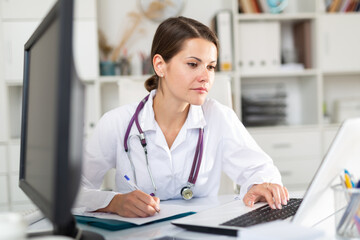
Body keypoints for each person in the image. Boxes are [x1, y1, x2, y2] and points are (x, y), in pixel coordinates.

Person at [77, 16, 289, 218]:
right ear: (160, 65)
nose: (205, 77)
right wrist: (114, 202)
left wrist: (259, 186)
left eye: (211, 67)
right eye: (193, 64)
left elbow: (263, 171)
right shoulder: (117, 123)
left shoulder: (218, 117)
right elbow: (73, 190)